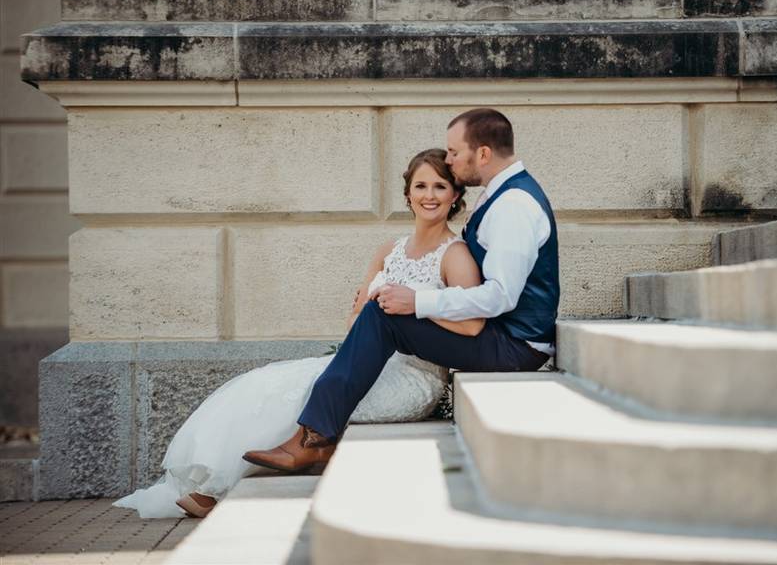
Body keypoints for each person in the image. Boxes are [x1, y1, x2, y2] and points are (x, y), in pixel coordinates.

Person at [114, 148, 481, 518]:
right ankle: (210, 487)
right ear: (407, 194)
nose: (429, 195)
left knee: (298, 395)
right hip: (362, 361)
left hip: (412, 377)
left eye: (439, 186)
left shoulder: (455, 255)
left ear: (454, 196)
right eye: (421, 185)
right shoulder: (389, 251)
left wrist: (412, 305)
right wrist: (368, 309)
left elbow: (470, 325)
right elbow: (357, 324)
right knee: (265, 383)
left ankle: (219, 491)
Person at [243, 108, 559, 476]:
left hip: (515, 347)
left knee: (385, 314)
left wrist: (417, 300)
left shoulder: (513, 205)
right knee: (380, 312)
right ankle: (315, 435)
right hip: (503, 336)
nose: (451, 160)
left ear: (483, 154)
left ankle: (315, 438)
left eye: (455, 152)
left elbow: (500, 297)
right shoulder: (499, 196)